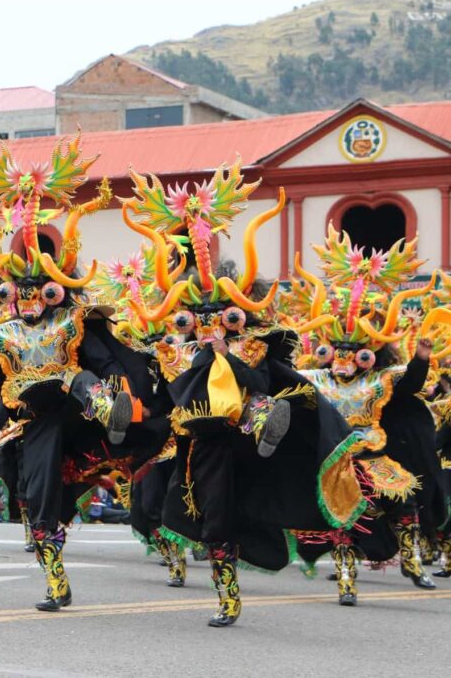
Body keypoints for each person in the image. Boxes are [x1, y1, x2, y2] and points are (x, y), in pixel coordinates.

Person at [121, 164, 361, 627]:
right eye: (199, 319)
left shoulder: (250, 345)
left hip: (245, 438)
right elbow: (165, 401)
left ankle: (263, 421)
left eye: (222, 319)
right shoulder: (178, 354)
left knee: (257, 403)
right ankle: (227, 599)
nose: (211, 327)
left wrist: (228, 358)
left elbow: (268, 375)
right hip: (200, 446)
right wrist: (134, 414)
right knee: (213, 523)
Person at [0, 133, 158, 611]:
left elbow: (106, 359)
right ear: (10, 292)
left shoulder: (74, 322)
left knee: (76, 378)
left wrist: (121, 389)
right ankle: (57, 582)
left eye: (42, 290)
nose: (31, 300)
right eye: (22, 291)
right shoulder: (3, 333)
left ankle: (111, 414)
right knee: (37, 498)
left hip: (79, 412)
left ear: (56, 288)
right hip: (33, 422)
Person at [287, 228, 447, 602]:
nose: (345, 360)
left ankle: (412, 562)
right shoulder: (317, 378)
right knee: (341, 520)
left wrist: (422, 358)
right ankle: (346, 581)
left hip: (374, 456)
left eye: (356, 353)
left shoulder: (381, 379)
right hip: (336, 460)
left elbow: (409, 383)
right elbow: (286, 380)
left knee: (405, 504)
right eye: (337, 350)